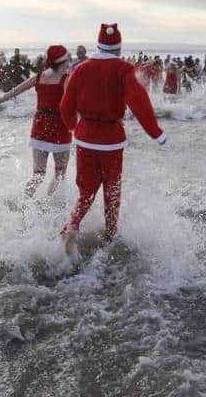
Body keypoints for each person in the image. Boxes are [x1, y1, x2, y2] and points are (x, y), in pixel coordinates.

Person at [59, 23, 166, 250]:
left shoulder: (81, 68)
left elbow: (66, 104)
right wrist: (155, 133)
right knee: (112, 190)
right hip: (111, 141)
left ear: (98, 45)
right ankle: (109, 236)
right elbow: (139, 101)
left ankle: (72, 226)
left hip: (84, 137)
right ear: (118, 48)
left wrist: (72, 127)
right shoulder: (123, 69)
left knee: (86, 191)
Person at [0, 45, 73, 201]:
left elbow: (15, 91)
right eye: (67, 59)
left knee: (38, 175)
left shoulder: (39, 77)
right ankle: (50, 206)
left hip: (40, 128)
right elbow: (73, 103)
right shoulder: (66, 79)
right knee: (60, 174)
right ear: (63, 61)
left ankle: (24, 205)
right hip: (60, 128)